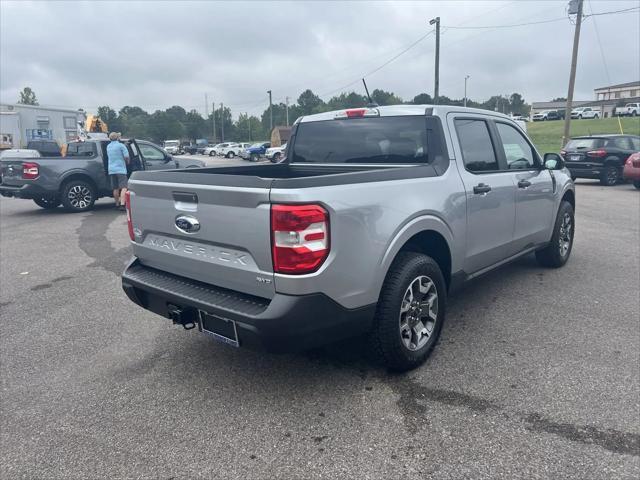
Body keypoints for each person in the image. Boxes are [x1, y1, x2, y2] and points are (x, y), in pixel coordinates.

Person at [106, 131, 130, 211]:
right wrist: (127, 162)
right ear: (118, 138)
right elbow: (126, 156)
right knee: (124, 187)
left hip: (111, 170)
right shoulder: (121, 146)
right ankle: (122, 205)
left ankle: (117, 204)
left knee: (115, 188)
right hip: (121, 169)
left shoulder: (108, 146)